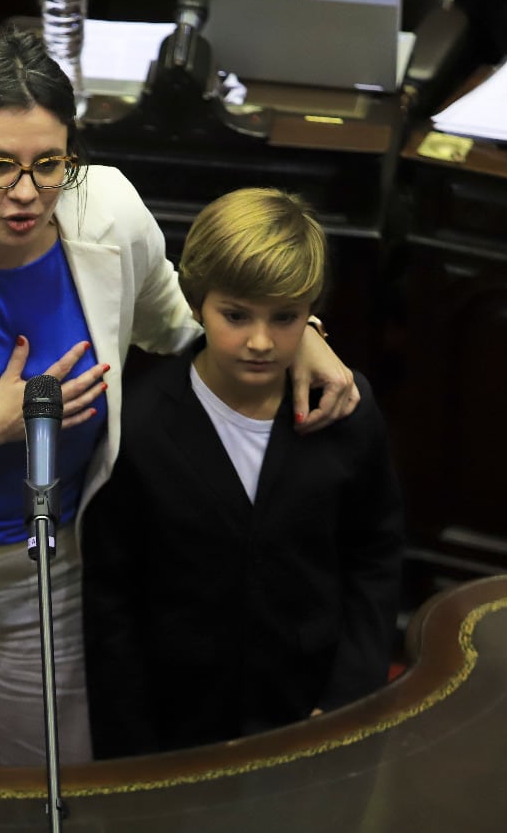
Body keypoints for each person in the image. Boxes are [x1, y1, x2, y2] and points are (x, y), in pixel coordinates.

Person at [0, 29, 359, 766]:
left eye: (49, 163)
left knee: (43, 785)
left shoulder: (109, 212)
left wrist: (299, 329)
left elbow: (183, 326)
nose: (26, 193)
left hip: (51, 572)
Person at [82, 188, 404, 759]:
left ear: (311, 316)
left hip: (311, 707)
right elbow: (113, 601)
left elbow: (373, 558)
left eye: (285, 318)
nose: (259, 341)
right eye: (236, 316)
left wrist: (348, 699)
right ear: (197, 303)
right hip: (177, 721)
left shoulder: (346, 411)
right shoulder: (140, 424)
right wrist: (131, 745)